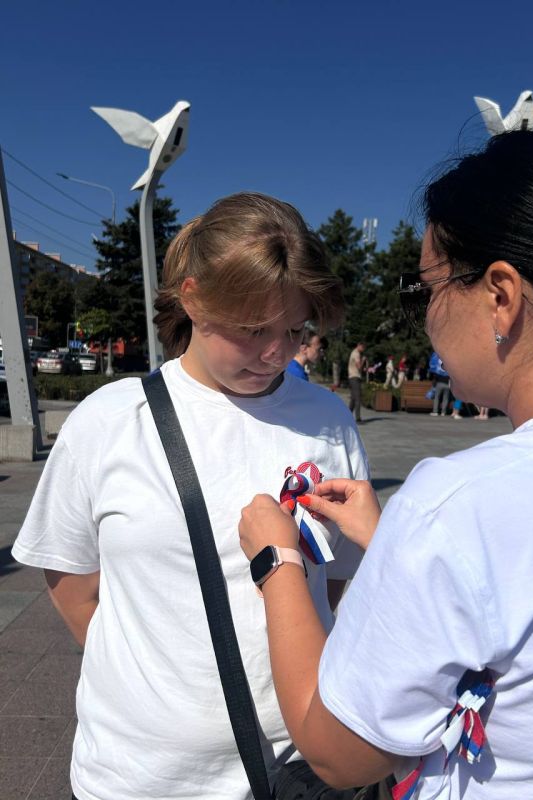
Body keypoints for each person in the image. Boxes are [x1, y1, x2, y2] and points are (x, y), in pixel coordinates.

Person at [238, 131, 533, 799]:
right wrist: (395, 545)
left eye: (426, 287)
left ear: (501, 296)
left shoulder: (460, 503)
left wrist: (275, 561)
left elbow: (337, 754)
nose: (425, 316)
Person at [11, 192, 368, 800]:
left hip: (296, 768)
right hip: (139, 778)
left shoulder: (327, 419)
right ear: (194, 297)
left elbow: (333, 584)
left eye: (293, 328)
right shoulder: (109, 420)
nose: (277, 352)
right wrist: (151, 683)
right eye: (254, 329)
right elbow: (71, 579)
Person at [428, 351, 451, 416]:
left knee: (437, 397)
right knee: (445, 398)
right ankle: (443, 412)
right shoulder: (449, 369)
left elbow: (435, 376)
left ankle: (435, 411)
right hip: (447, 385)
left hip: (440, 384)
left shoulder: (438, 369)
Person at [347, 342, 366, 423]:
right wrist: (363, 360)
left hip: (351, 377)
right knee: (358, 398)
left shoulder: (353, 352)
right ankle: (358, 418)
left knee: (353, 399)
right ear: (359, 346)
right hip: (355, 377)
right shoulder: (356, 354)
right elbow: (359, 367)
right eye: (363, 347)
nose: (363, 349)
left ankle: (347, 416)